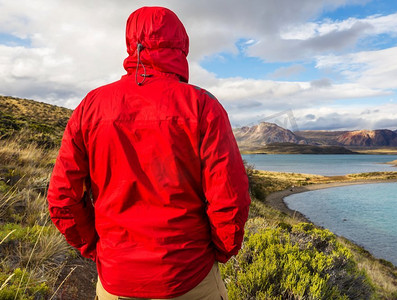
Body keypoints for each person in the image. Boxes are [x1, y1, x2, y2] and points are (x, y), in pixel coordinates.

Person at [47, 6, 251, 299]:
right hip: (190, 279)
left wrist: (96, 248)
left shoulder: (90, 107)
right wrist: (218, 252)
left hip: (116, 280)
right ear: (182, 45)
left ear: (131, 44)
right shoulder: (202, 106)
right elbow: (230, 199)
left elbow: (62, 198)